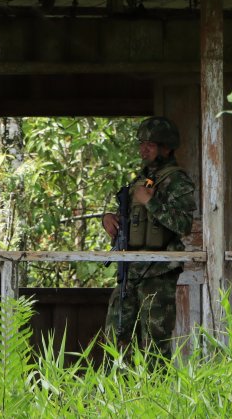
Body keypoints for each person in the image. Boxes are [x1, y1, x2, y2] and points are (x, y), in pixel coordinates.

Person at [101, 116, 197, 358]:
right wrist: (110, 219)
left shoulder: (177, 180)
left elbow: (183, 224)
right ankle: (120, 392)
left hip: (158, 273)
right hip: (131, 270)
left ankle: (157, 394)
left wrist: (151, 202)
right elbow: (135, 222)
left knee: (155, 344)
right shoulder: (140, 181)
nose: (143, 149)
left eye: (150, 145)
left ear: (166, 147)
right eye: (141, 143)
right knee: (116, 337)